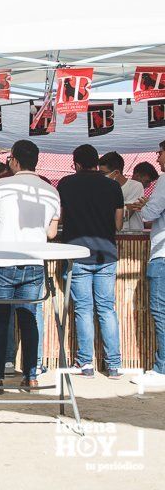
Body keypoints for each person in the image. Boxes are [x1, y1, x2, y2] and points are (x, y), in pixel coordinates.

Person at [0, 140, 60, 392]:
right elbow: (51, 232)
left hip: (4, 261)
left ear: (14, 160)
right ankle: (31, 376)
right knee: (29, 320)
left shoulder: (0, 185)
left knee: (0, 321)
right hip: (33, 263)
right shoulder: (50, 190)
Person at [58, 144, 124, 379]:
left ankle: (85, 364)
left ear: (76, 164)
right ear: (97, 162)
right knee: (107, 308)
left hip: (77, 254)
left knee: (84, 309)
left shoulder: (65, 184)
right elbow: (118, 225)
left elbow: (61, 218)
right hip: (106, 253)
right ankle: (114, 365)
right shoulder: (113, 186)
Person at [129, 140, 165, 386]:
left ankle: (162, 367)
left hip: (163, 255)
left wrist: (145, 207)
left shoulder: (164, 180)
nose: (158, 157)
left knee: (160, 311)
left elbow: (149, 214)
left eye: (160, 153)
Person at [99, 151, 145, 230]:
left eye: (103, 173)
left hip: (132, 237)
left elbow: (126, 214)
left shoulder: (135, 186)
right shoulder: (101, 188)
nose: (101, 177)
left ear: (116, 173)